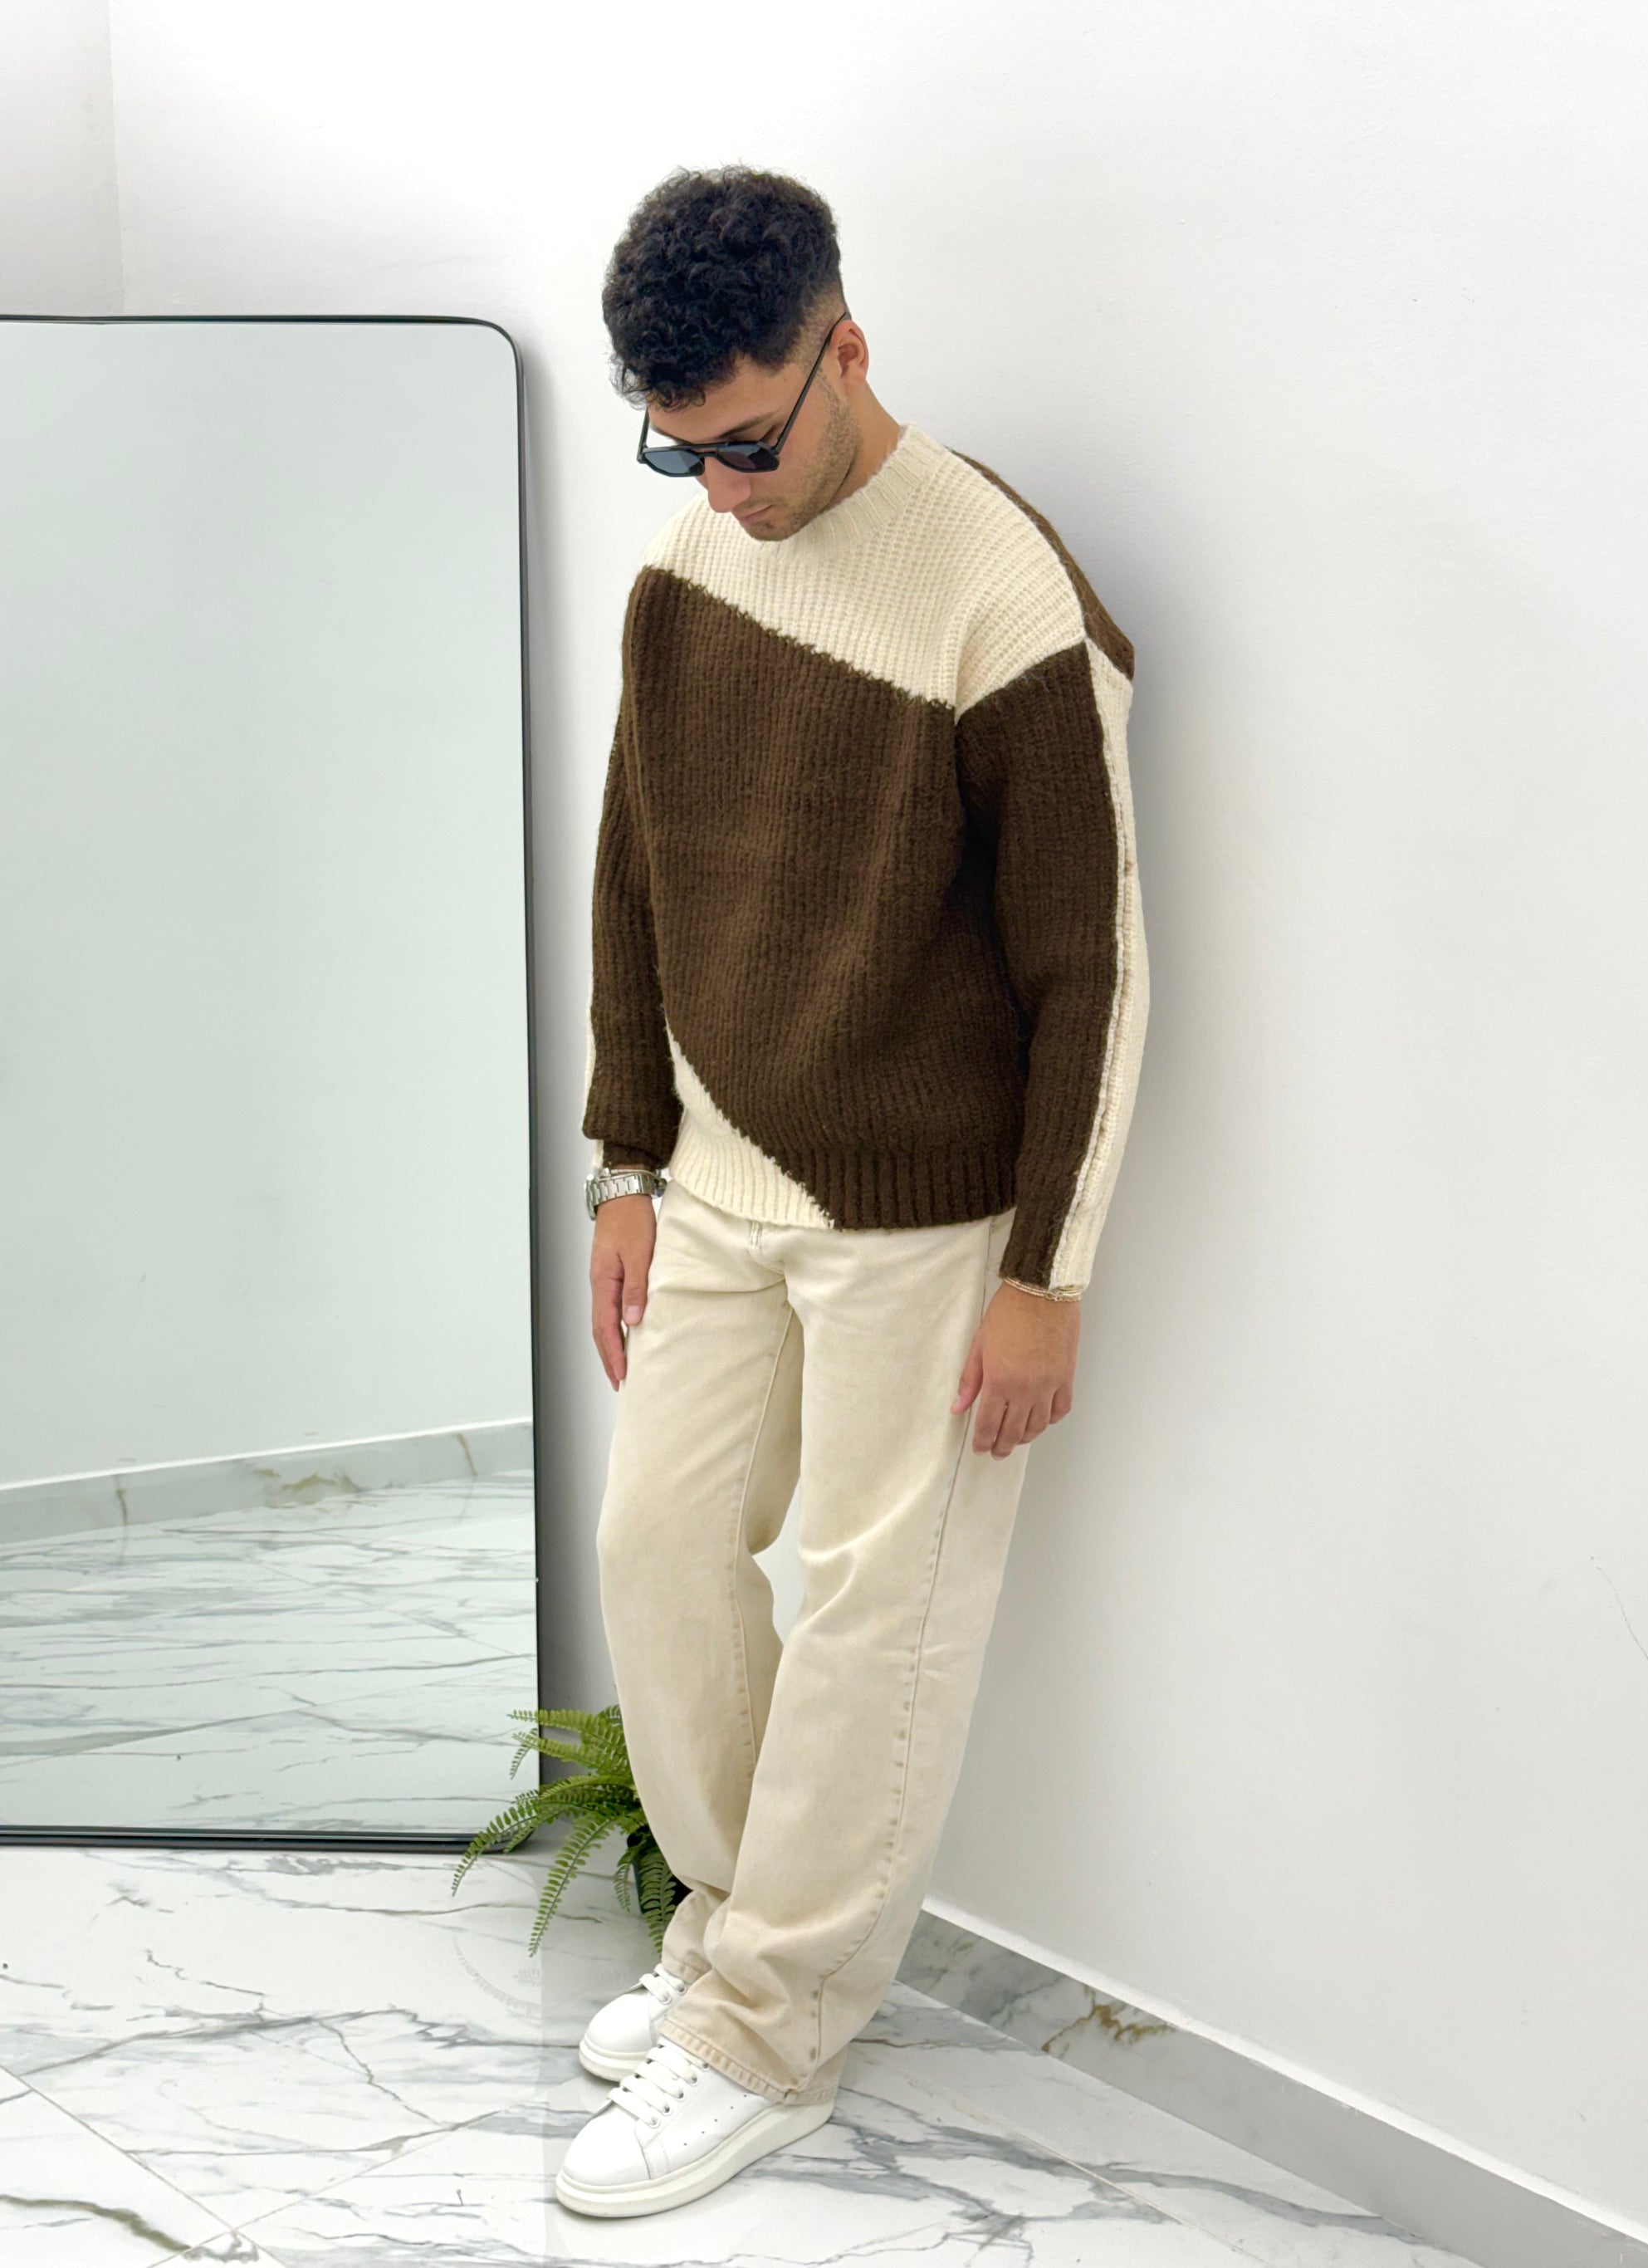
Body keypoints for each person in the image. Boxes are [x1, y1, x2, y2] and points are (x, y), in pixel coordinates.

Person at [555, 164, 1150, 2221]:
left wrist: (1049, 1271)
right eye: (677, 448)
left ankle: (771, 2034)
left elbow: (1092, 969)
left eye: (744, 441)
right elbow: (632, 876)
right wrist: (625, 1157)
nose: (717, 489)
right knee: (657, 1552)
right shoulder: (689, 567)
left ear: (846, 351)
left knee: (877, 1620)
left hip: (928, 1215)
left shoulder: (1001, 593)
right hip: (716, 1173)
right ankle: (742, 1939)